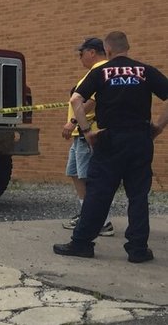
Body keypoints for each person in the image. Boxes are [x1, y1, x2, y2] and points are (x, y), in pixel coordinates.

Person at [54, 31, 168, 263]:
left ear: (107, 51)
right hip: (139, 138)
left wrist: (86, 132)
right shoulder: (144, 70)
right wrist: (158, 126)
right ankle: (137, 249)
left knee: (98, 192)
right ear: (128, 47)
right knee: (138, 195)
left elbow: (76, 100)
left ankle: (82, 243)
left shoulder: (99, 72)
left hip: (110, 139)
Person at [60, 37, 113, 236]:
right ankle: (87, 213)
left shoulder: (100, 71)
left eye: (81, 54)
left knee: (90, 177)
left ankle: (103, 221)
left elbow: (91, 101)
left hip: (87, 133)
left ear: (92, 52)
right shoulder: (94, 72)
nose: (80, 58)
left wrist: (73, 122)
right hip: (79, 135)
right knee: (75, 173)